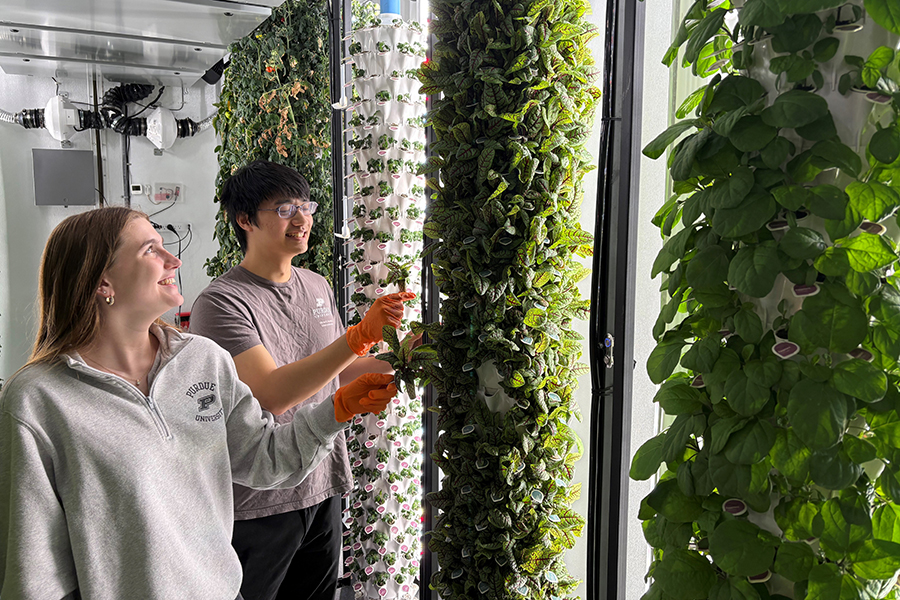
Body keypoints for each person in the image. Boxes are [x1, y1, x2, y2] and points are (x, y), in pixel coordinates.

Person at [0, 207, 399, 600]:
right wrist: (357, 339)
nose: (173, 259)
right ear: (103, 281)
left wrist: (337, 409)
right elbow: (33, 571)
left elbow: (261, 459)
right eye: (150, 250)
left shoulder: (202, 359)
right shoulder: (38, 400)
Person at [190, 160, 413, 600]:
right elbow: (269, 393)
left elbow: (336, 371)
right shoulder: (221, 303)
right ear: (245, 220)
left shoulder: (316, 284)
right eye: (285, 207)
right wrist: (358, 336)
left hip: (322, 478)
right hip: (260, 502)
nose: (303, 218)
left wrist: (406, 357)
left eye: (305, 205)